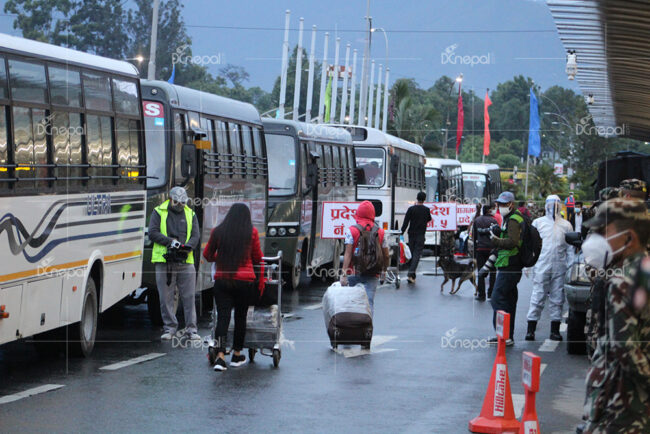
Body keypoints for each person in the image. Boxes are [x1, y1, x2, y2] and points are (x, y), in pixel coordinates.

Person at [580, 198, 650, 432]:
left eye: (605, 232)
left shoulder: (623, 282)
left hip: (623, 403)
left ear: (629, 238)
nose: (599, 240)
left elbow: (624, 349)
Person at [202, 203, 264, 371]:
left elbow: (207, 255)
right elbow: (258, 258)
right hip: (245, 283)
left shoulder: (218, 231)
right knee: (241, 318)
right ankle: (237, 354)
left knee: (223, 318)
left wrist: (220, 258)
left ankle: (221, 357)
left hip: (223, 280)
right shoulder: (252, 233)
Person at [149, 187, 201, 341]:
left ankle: (191, 330)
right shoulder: (158, 211)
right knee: (166, 297)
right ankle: (170, 328)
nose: (180, 205)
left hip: (186, 260)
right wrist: (170, 242)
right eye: (176, 202)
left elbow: (196, 235)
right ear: (170, 199)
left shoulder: (190, 213)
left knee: (189, 296)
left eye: (183, 203)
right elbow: (152, 232)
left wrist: (186, 247)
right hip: (165, 261)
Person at [525, 195, 573, 341]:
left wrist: (570, 267)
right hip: (541, 264)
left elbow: (570, 249)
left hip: (560, 266)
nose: (554, 206)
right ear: (546, 205)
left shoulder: (566, 225)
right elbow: (529, 245)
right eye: (551, 203)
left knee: (558, 299)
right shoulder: (538, 223)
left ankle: (555, 331)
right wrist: (528, 264)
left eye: (557, 203)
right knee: (537, 296)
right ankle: (531, 330)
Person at [488, 191, 525, 345]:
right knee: (509, 300)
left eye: (504, 204)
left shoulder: (514, 220)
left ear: (511, 204)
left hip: (510, 264)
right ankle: (507, 336)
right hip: (512, 264)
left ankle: (503, 336)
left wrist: (496, 241)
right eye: (499, 204)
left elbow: (512, 242)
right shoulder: (511, 218)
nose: (501, 206)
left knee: (497, 299)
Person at [340, 200, 390, 311]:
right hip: (373, 272)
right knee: (369, 302)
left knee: (351, 303)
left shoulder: (352, 230)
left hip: (353, 271)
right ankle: (367, 327)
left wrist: (343, 274)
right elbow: (386, 255)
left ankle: (353, 325)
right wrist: (383, 271)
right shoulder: (381, 232)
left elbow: (347, 254)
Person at [401, 191, 432, 284]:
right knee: (417, 254)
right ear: (424, 199)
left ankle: (412, 275)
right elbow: (429, 219)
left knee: (411, 253)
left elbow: (406, 222)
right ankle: (411, 274)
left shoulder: (411, 209)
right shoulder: (426, 210)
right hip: (420, 235)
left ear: (417, 198)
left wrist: (401, 233)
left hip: (411, 234)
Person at [472, 203, 499, 301]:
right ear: (489, 210)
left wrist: (474, 251)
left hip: (480, 249)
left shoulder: (477, 220)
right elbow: (497, 235)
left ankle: (481, 294)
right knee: (492, 272)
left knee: (480, 272)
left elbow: (474, 236)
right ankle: (491, 293)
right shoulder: (494, 221)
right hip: (491, 249)